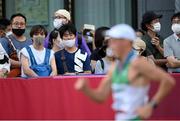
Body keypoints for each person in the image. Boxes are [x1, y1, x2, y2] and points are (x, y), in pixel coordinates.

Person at [75, 24, 175, 120]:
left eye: (114, 40)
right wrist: (86, 89)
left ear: (126, 42)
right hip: (120, 117)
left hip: (136, 118)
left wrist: (151, 105)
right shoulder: (114, 67)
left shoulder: (139, 63)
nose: (110, 44)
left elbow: (168, 81)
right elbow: (101, 96)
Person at [0, 13, 32, 77]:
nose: (19, 26)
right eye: (16, 24)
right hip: (12, 78)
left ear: (25, 25)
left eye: (22, 24)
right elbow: (4, 60)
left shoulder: (31, 42)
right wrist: (24, 64)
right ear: (11, 26)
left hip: (29, 77)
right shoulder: (4, 40)